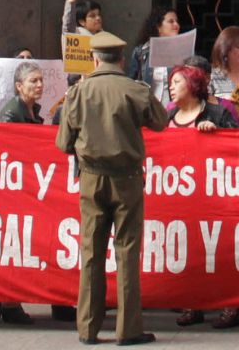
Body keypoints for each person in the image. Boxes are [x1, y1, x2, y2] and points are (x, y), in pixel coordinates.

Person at [55, 31, 169, 346]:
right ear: (121, 59)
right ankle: (128, 329)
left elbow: (63, 142)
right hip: (128, 180)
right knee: (127, 253)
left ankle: (88, 329)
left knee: (91, 253)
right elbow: (161, 121)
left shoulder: (78, 92)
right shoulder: (136, 90)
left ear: (94, 58)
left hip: (91, 180)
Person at [168, 64, 239, 329]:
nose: (171, 87)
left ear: (192, 85)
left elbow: (237, 147)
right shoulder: (169, 116)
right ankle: (192, 304)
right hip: (181, 197)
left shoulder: (218, 113)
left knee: (220, 252)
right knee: (189, 253)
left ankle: (230, 306)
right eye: (171, 82)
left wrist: (216, 135)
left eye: (177, 82)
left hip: (214, 197)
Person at [0, 62, 45, 324]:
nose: (39, 85)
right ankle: (9, 303)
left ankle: (5, 300)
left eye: (40, 80)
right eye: (33, 81)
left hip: (26, 187)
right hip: (13, 189)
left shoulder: (32, 111)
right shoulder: (12, 114)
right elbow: (6, 150)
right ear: (19, 86)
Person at [127, 6, 182, 105]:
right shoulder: (141, 51)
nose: (176, 25)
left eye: (177, 21)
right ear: (158, 27)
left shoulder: (182, 50)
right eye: (171, 21)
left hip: (173, 109)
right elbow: (131, 82)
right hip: (148, 109)